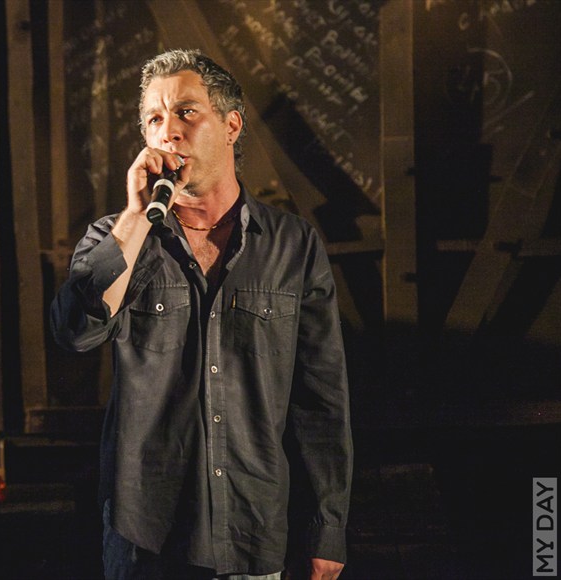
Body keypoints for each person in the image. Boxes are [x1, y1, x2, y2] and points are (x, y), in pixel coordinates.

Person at [50, 48, 352, 580]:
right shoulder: (116, 238)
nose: (168, 131)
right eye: (153, 119)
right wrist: (135, 217)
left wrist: (326, 528)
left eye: (186, 112)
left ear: (231, 125)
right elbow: (75, 331)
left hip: (253, 533)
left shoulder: (292, 245)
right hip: (147, 537)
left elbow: (321, 400)